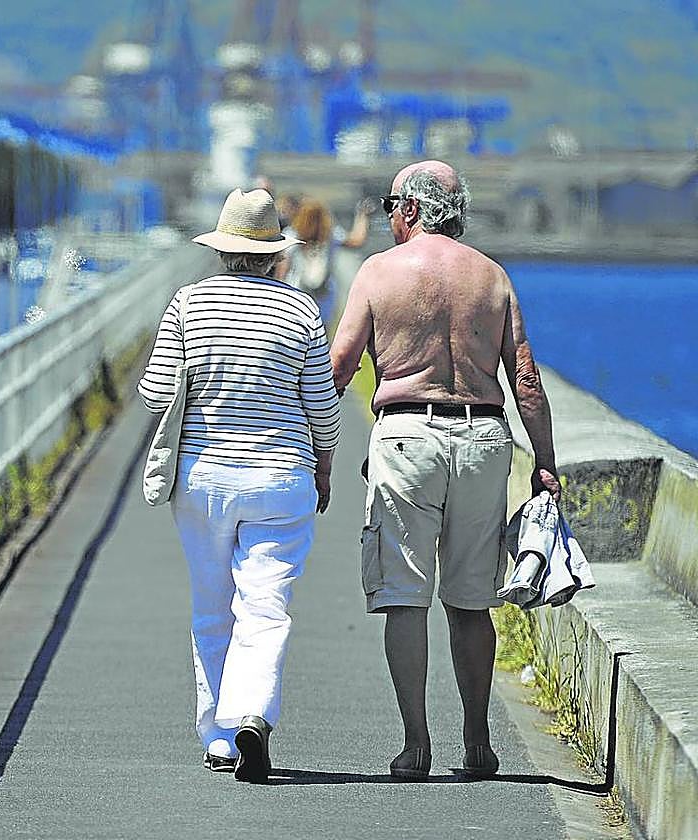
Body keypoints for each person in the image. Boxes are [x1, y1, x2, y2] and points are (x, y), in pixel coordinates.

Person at [329, 160, 561, 781]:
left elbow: (340, 364)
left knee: (405, 598)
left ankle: (416, 745)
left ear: (407, 209)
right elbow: (527, 380)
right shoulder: (492, 277)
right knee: (470, 601)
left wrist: (321, 445)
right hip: (485, 438)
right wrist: (545, 462)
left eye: (388, 207)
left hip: (406, 436)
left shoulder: (380, 272)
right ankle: (479, 742)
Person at [138, 188, 341, 783]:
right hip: (281, 478)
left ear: (223, 248)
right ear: (275, 252)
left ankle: (220, 738)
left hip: (202, 480)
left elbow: (155, 394)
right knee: (266, 605)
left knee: (212, 606)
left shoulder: (187, 305)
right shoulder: (301, 311)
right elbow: (323, 409)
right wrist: (323, 465)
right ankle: (254, 711)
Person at [278, 196, 375, 297]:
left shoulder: (292, 235)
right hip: (312, 294)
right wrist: (362, 216)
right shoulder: (329, 235)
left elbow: (282, 268)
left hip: (296, 294)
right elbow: (356, 240)